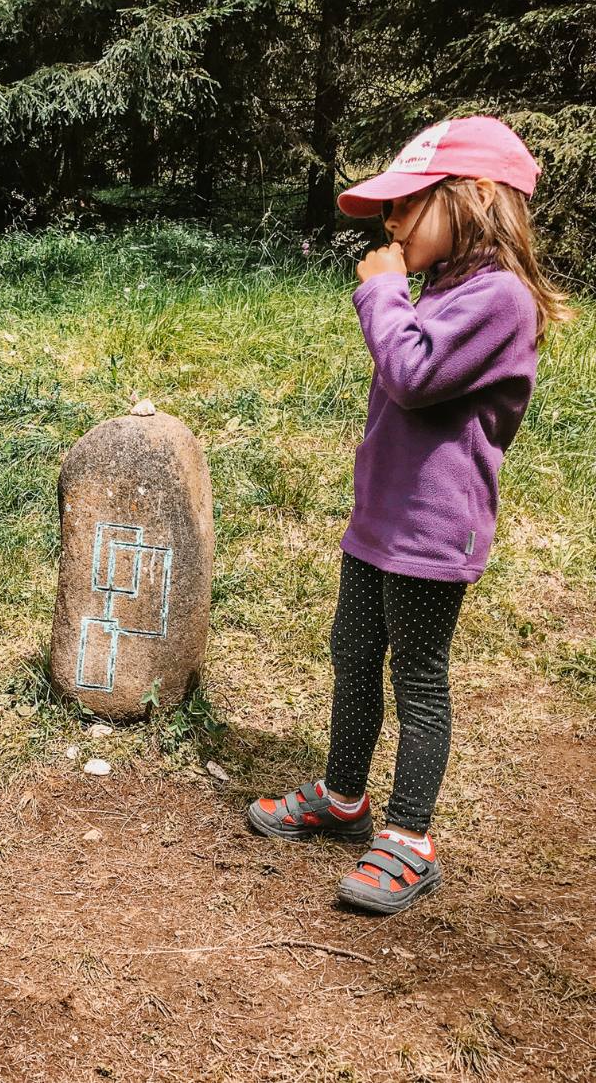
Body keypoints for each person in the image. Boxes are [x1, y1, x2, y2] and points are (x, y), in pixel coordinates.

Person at [247, 116, 572, 914]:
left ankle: (410, 838)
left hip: (432, 532)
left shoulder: (500, 298)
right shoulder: (449, 286)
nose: (389, 224)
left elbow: (411, 374)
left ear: (475, 198)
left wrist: (382, 288)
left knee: (417, 676)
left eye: (405, 205)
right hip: (381, 519)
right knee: (353, 652)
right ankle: (344, 796)